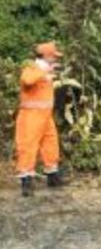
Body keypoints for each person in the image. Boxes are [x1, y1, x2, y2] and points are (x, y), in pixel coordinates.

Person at [14, 41, 65, 197]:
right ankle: (26, 182)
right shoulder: (32, 68)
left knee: (51, 144)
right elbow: (27, 80)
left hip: (45, 115)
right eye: (54, 56)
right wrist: (44, 71)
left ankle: (52, 176)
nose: (56, 59)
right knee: (27, 147)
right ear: (46, 56)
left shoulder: (44, 69)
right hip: (30, 115)